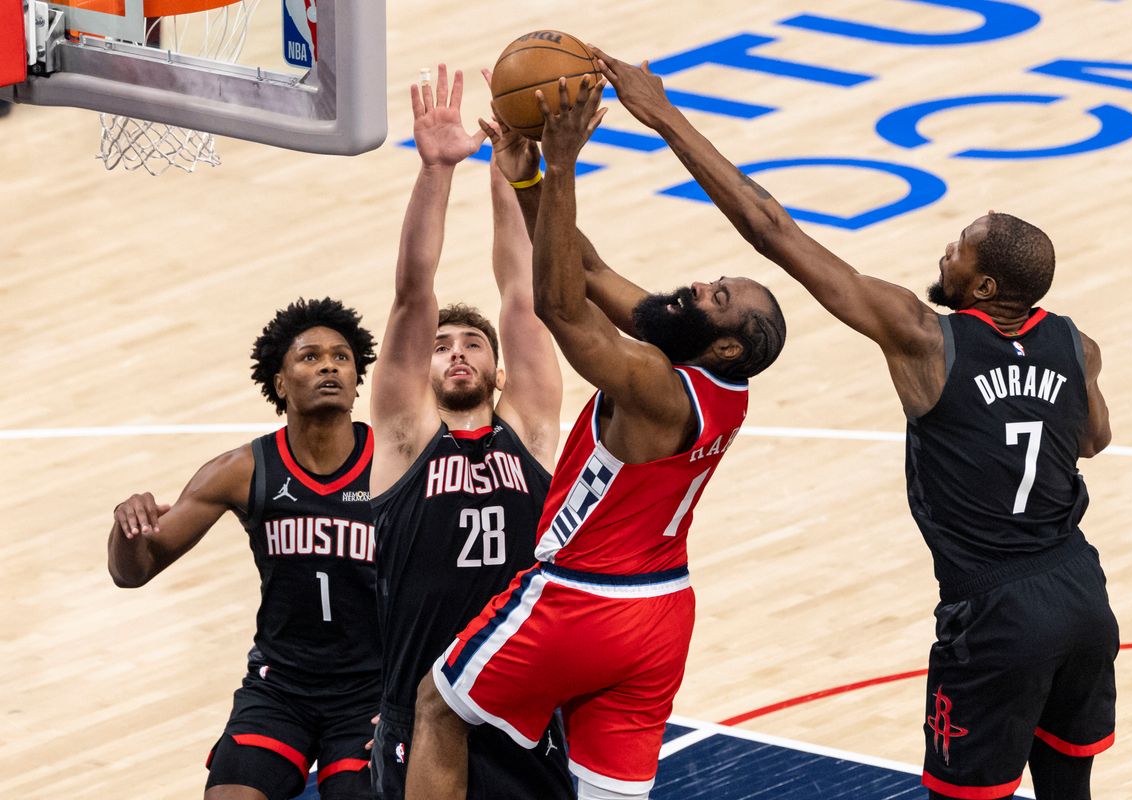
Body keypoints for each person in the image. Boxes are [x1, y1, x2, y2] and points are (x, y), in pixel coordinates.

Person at [592, 48, 1118, 800]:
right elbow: (1092, 440)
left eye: (960, 247)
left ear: (986, 284)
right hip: (1080, 592)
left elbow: (774, 231)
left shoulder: (923, 335)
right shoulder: (1078, 345)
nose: (947, 248)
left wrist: (665, 116)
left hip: (997, 611)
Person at [404, 75, 788, 800]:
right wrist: (526, 178)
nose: (701, 288)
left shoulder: (651, 381)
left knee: (437, 704)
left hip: (583, 597)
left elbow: (559, 302)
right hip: (661, 615)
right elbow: (589, 268)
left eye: (721, 297)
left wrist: (567, 160)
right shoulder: (711, 379)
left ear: (731, 346)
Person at [366, 64, 571, 800]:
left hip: (520, 711)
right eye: (442, 345)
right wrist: (436, 169)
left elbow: (525, 290)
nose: (455, 351)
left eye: (472, 344)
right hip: (418, 707)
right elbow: (411, 293)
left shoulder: (530, 428)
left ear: (501, 371)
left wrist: (512, 167)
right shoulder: (402, 437)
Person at [107, 298, 381, 800]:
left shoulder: (392, 463)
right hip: (281, 686)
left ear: (357, 378)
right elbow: (135, 571)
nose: (328, 365)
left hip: (372, 688)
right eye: (309, 357)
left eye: (342, 357)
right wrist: (126, 530)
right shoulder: (243, 470)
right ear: (280, 383)